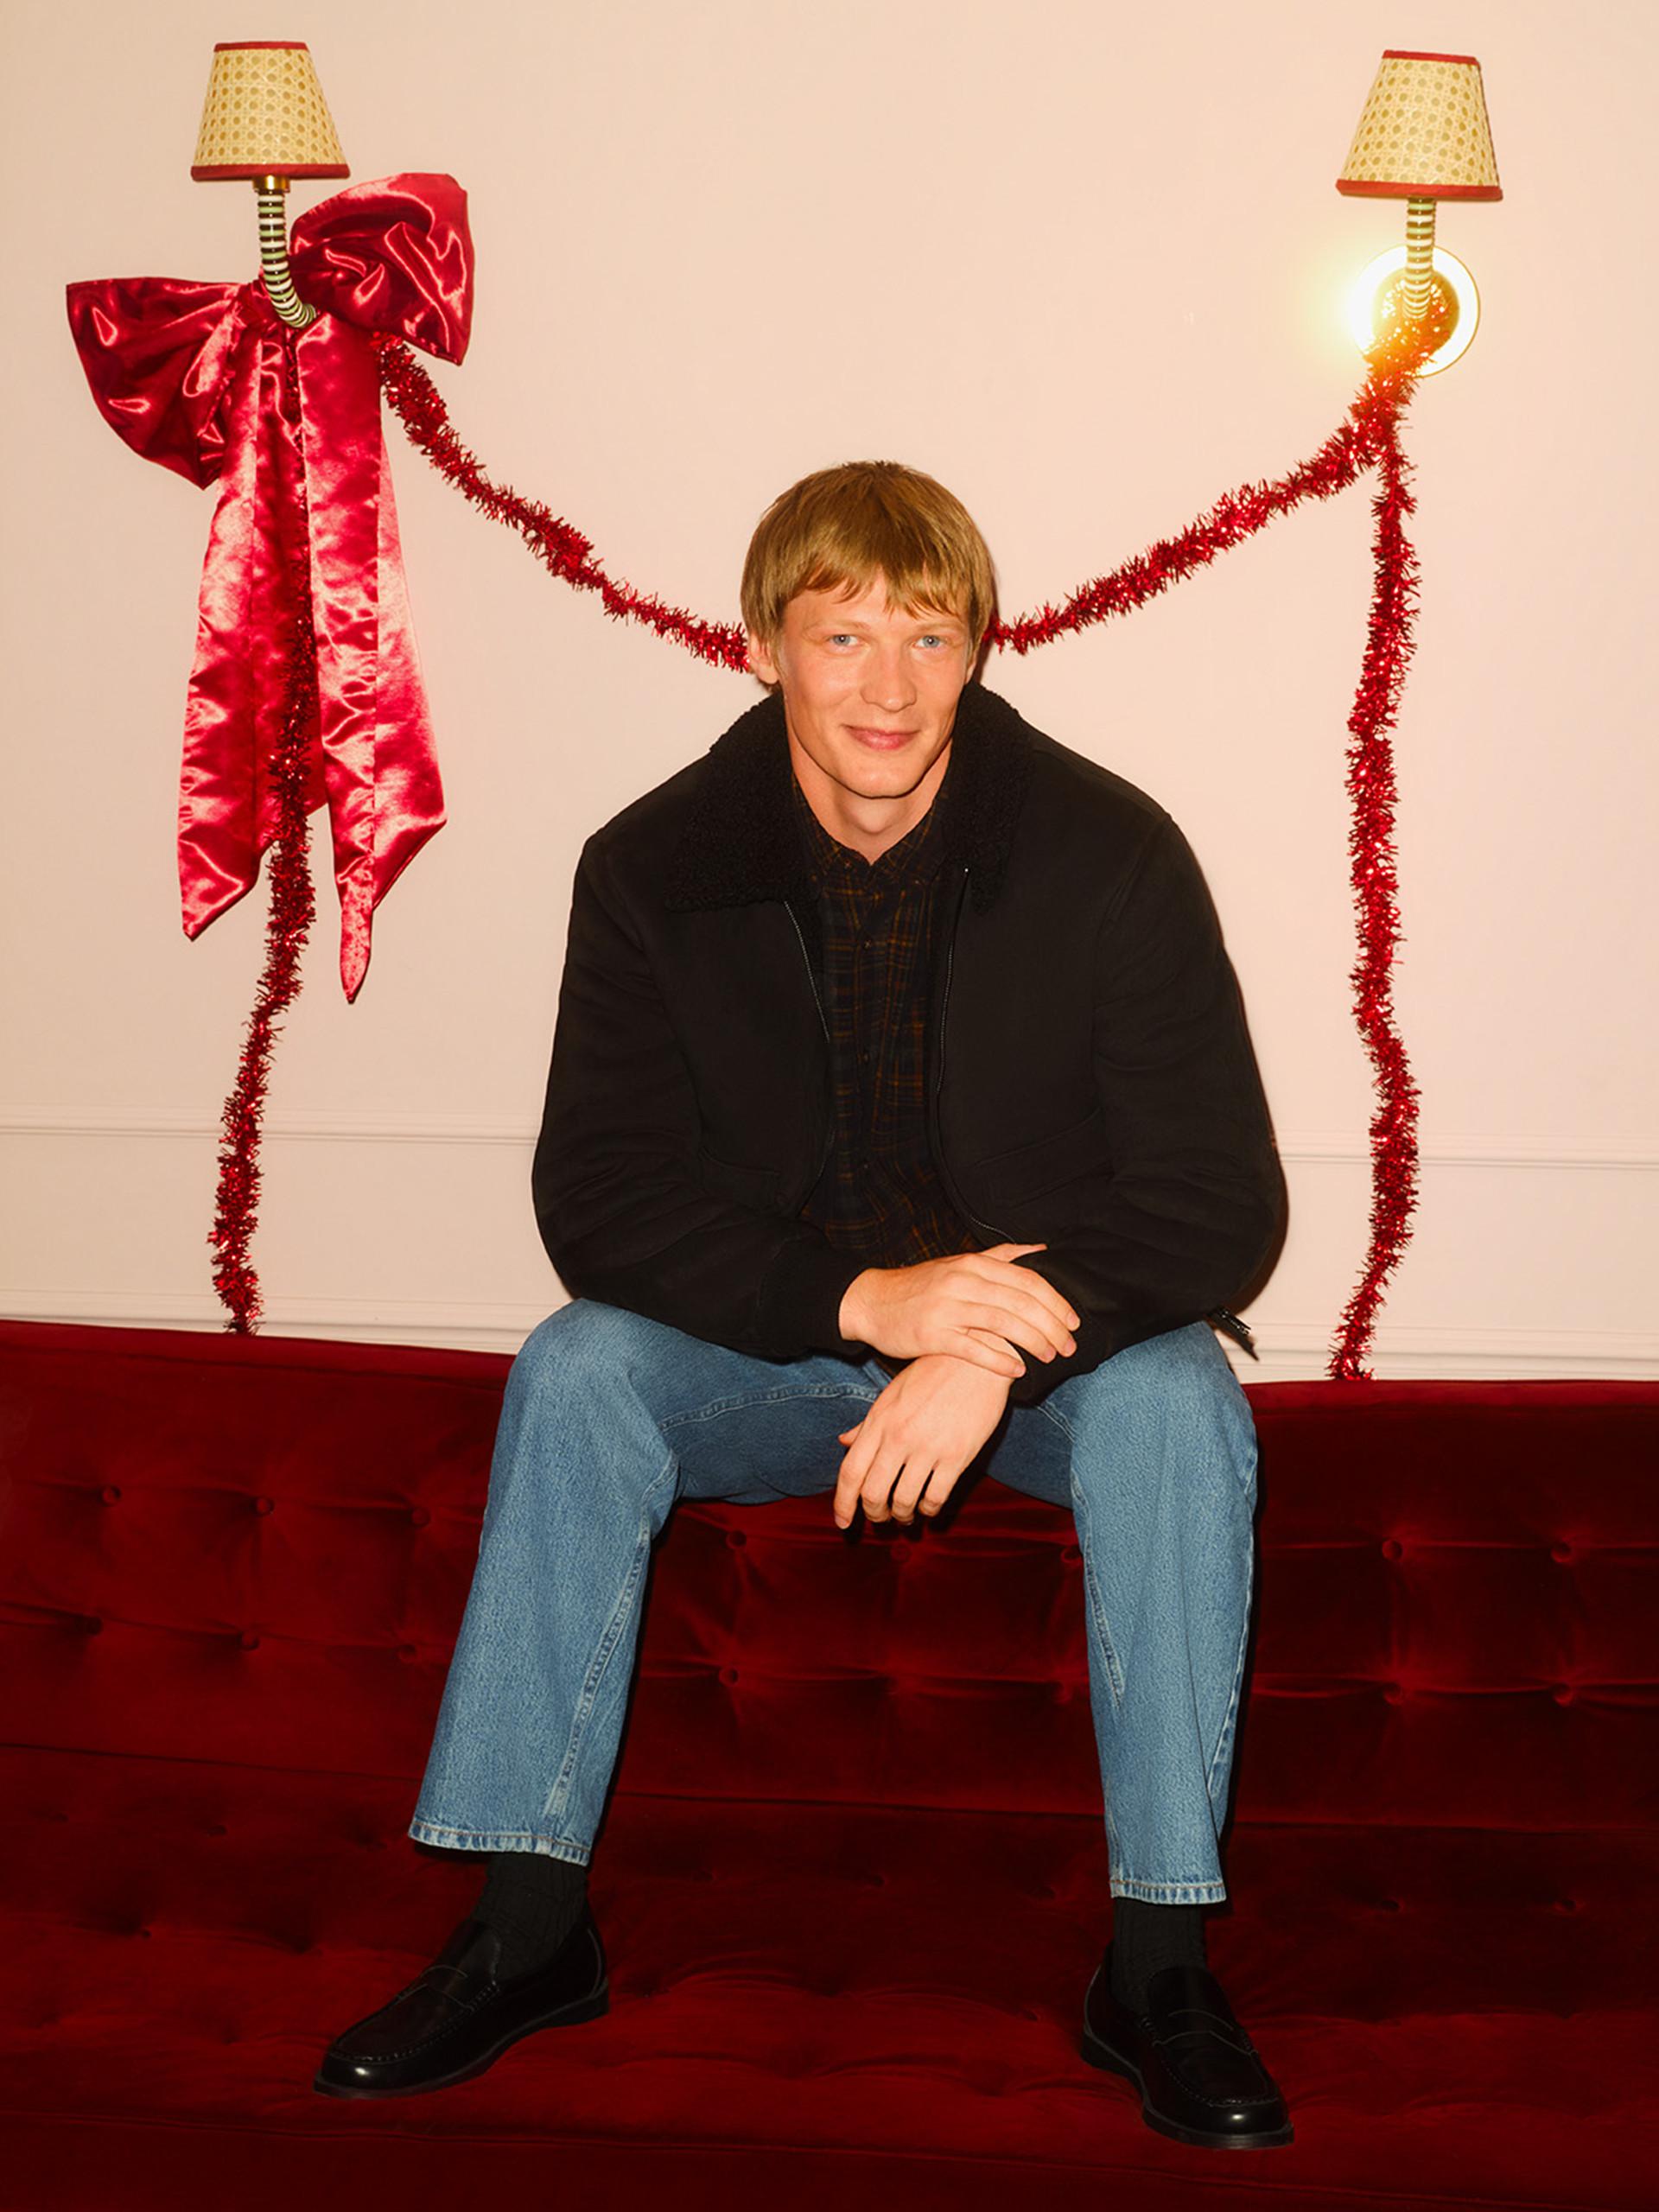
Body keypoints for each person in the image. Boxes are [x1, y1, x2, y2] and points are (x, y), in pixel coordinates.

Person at [315, 460, 1292, 2149]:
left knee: (1184, 1394)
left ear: (981, 646)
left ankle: (1158, 1964)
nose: (888, 687)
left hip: (1031, 1364)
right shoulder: (652, 866)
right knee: (578, 1366)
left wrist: (981, 1335)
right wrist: (871, 1297)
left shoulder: (1109, 852)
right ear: (765, 644)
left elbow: (1224, 1201)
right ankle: (528, 1932)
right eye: (843, 636)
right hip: (774, 1345)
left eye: (927, 635)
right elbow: (596, 1199)